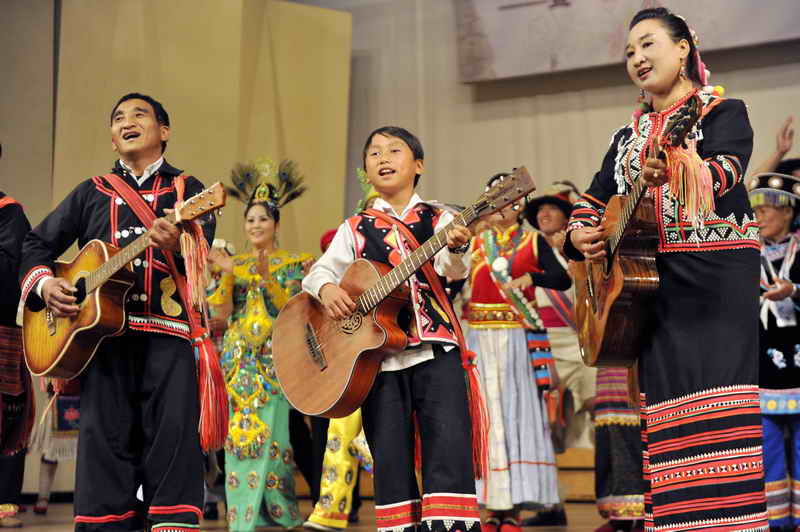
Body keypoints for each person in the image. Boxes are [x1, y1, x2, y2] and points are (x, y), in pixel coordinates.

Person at [565, 8, 767, 530]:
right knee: (665, 418)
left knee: (720, 412)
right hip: (650, 290)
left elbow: (725, 173)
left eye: (649, 45)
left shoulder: (722, 110)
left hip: (715, 282)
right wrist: (581, 233)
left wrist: (674, 163)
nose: (637, 58)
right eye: (629, 52)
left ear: (684, 49)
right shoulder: (624, 137)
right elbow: (592, 201)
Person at [19, 93, 217, 532]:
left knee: (172, 441)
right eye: (118, 118)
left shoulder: (187, 190)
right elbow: (35, 243)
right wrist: (47, 284)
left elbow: (202, 256)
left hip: (168, 338)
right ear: (112, 139)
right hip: (101, 343)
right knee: (102, 446)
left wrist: (177, 243)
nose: (127, 121)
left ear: (164, 131)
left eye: (139, 114)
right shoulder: (91, 192)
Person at [303, 126, 483, 532]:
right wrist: (329, 288)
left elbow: (455, 273)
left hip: (437, 349)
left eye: (394, 150)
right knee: (389, 457)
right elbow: (317, 274)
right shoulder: (354, 227)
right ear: (366, 169)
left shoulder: (442, 217)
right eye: (374, 153)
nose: (382, 158)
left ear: (418, 164)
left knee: (448, 446)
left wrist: (455, 247)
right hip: (377, 359)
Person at [207, 161, 312, 532]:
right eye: (250, 220)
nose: (255, 226)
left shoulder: (296, 263)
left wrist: (269, 280)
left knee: (276, 440)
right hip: (238, 362)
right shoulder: (231, 262)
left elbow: (295, 310)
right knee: (238, 440)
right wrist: (227, 274)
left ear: (276, 224)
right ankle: (242, 518)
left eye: (263, 220)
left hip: (275, 360)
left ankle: (278, 512)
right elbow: (219, 313)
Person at [466, 174, 568, 532]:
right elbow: (451, 282)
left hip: (517, 339)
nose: (500, 207)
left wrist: (533, 279)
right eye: (494, 199)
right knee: (488, 418)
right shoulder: (475, 243)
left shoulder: (533, 241)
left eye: (507, 200)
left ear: (519, 204)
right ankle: (491, 510)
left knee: (516, 415)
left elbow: (562, 279)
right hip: (479, 339)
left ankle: (513, 511)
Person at [748, 172, 800, 532]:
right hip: (761, 363)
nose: (760, 217)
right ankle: (775, 522)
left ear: (788, 213)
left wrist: (794, 290)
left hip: (799, 361)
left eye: (767, 210)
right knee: (767, 448)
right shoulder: (747, 255)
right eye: (757, 211)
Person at [0, 142, 34, 529]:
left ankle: (4, 500)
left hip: (2, 331)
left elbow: (11, 274)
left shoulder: (9, 213)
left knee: (6, 413)